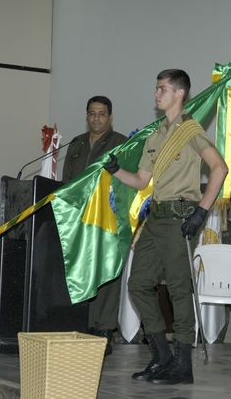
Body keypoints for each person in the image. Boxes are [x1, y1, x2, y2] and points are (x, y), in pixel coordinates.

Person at [104, 69, 228, 385]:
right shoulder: (156, 134)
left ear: (179, 94)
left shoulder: (190, 131)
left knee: (178, 290)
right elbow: (143, 181)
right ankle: (161, 357)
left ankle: (183, 366)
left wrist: (201, 212)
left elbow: (220, 168)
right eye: (157, 88)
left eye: (162, 89)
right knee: (137, 283)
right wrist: (117, 171)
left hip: (180, 217)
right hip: (156, 217)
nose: (156, 94)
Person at [62, 95, 127, 355]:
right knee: (83, 270)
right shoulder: (76, 144)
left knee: (106, 272)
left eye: (101, 113)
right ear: (86, 116)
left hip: (106, 218)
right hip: (80, 218)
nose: (96, 118)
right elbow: (67, 180)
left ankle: (104, 329)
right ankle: (85, 325)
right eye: (92, 113)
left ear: (110, 117)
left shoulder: (121, 143)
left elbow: (125, 182)